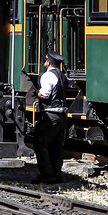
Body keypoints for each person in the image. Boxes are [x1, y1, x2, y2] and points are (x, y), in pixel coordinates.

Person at [32, 51, 69, 183]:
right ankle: (57, 175)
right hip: (62, 116)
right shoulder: (62, 76)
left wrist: (36, 93)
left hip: (51, 114)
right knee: (57, 146)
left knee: (40, 142)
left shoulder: (47, 76)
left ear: (48, 62)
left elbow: (45, 95)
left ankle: (47, 175)